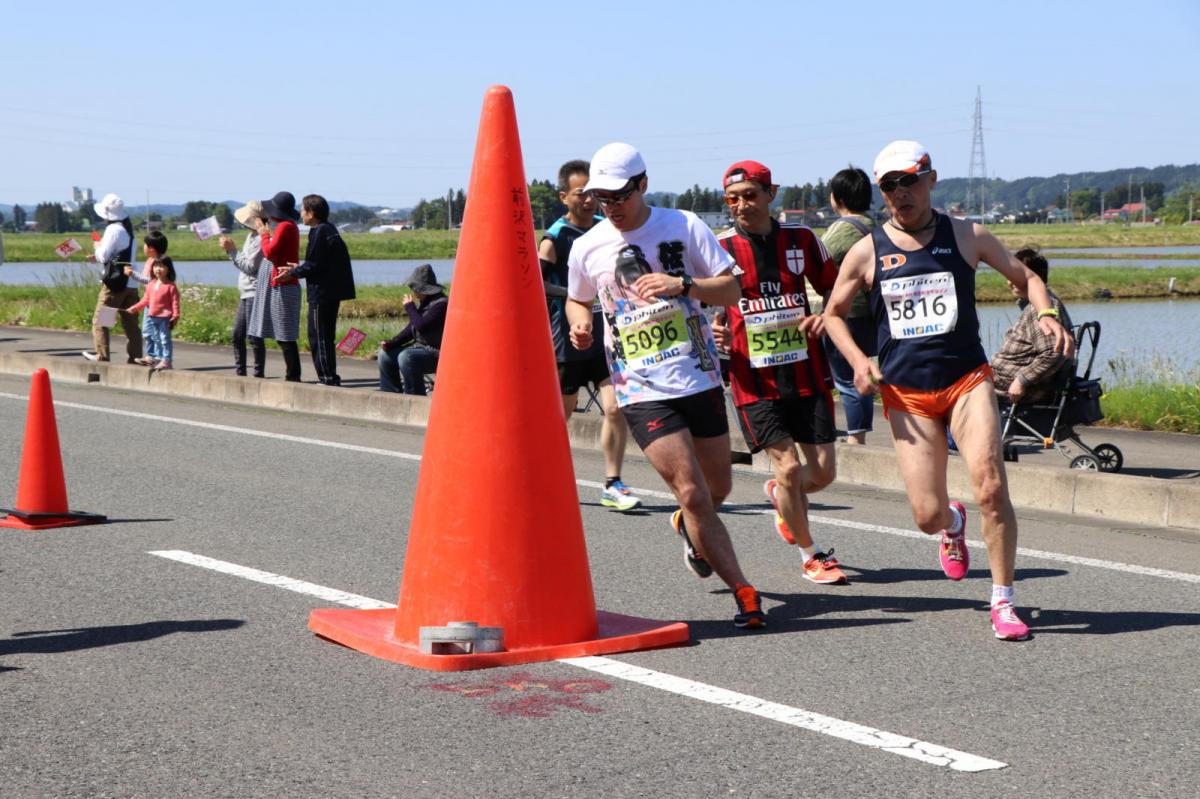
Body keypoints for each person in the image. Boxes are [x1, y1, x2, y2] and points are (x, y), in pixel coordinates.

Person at [823, 140, 1073, 641]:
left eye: (909, 181)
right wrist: (858, 361)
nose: (901, 192)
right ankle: (951, 525)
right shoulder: (867, 250)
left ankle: (1003, 600)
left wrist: (1046, 312)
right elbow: (832, 314)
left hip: (966, 380)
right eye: (889, 185)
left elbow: (1026, 277)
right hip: (906, 394)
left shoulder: (966, 235)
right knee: (926, 515)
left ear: (931, 179)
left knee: (991, 486)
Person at [566, 142, 765, 629]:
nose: (610, 207)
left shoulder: (684, 225)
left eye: (619, 196)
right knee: (692, 491)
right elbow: (577, 299)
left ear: (643, 185)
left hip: (697, 374)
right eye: (601, 198)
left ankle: (689, 528)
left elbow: (732, 288)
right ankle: (744, 592)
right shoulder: (588, 246)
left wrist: (682, 285)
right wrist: (580, 324)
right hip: (639, 386)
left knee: (717, 489)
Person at [710, 160, 848, 586]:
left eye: (750, 195)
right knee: (787, 467)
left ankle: (781, 494)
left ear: (772, 194)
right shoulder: (719, 247)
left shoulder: (802, 239)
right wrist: (714, 330)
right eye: (732, 199)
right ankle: (812, 556)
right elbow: (700, 300)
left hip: (806, 372)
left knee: (821, 473)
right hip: (753, 379)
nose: (741, 205)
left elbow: (835, 287)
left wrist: (827, 314)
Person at [541, 159, 640, 512]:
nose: (588, 200)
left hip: (606, 338)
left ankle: (613, 483)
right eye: (580, 193)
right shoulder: (555, 237)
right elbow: (535, 283)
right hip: (568, 341)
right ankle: (542, 475)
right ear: (563, 196)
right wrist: (578, 295)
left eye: (592, 193)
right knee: (559, 418)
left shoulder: (605, 228)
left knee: (615, 408)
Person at [821, 167, 878, 445]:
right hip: (872, 314)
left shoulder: (842, 229)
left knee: (847, 379)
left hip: (846, 316)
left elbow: (819, 261)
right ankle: (860, 434)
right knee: (863, 372)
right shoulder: (876, 225)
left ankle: (856, 438)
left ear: (838, 198)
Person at [275, 194, 356, 386]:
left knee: (319, 336)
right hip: (330, 291)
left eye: (303, 210)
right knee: (324, 335)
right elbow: (320, 263)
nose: (301, 213)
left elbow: (315, 265)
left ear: (311, 213)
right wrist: (298, 268)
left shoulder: (319, 231)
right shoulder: (328, 228)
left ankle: (328, 378)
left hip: (322, 293)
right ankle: (328, 377)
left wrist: (292, 273)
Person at [991, 248, 1075, 404]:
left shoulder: (1039, 310)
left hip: (1011, 385)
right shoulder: (1045, 302)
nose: (1010, 282)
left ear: (1034, 277)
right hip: (1004, 379)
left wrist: (1021, 381)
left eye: (1015, 276)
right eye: (1009, 276)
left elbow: (1054, 352)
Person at [81, 193, 144, 363]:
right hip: (131, 282)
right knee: (131, 323)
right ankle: (136, 357)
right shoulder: (128, 230)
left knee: (101, 321)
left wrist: (97, 246)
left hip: (115, 285)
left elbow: (103, 255)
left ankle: (102, 355)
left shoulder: (113, 230)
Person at [251, 191, 304, 381]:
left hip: (284, 285)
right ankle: (292, 375)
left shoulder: (284, 226)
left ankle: (293, 376)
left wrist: (264, 235)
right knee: (284, 334)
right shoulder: (289, 226)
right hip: (285, 284)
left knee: (285, 334)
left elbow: (270, 253)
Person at [219, 202, 273, 378]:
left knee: (254, 336)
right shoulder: (251, 236)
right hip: (246, 291)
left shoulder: (261, 239)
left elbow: (249, 267)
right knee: (237, 334)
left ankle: (258, 374)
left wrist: (232, 251)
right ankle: (240, 372)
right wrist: (232, 251)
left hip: (254, 291)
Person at [378, 264, 448, 394]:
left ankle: (414, 396)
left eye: (414, 288)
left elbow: (421, 326)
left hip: (436, 353)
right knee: (385, 355)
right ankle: (390, 394)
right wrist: (392, 343)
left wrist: (410, 307)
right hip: (420, 349)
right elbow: (411, 329)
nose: (413, 291)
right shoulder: (425, 302)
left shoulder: (441, 305)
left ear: (423, 289)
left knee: (407, 357)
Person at [122, 256, 180, 370]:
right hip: (153, 317)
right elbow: (145, 300)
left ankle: (167, 360)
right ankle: (158, 358)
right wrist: (135, 308)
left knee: (164, 339)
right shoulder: (151, 284)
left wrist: (175, 315)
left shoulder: (171, 286)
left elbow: (175, 303)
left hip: (165, 318)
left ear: (168, 269)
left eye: (162, 266)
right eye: (156, 266)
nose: (158, 269)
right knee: (156, 339)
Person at [125, 230, 170, 367]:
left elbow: (149, 280)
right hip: (149, 301)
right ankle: (151, 356)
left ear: (151, 248)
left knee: (155, 332)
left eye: (145, 245)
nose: (143, 247)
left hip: (157, 304)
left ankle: (158, 357)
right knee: (147, 331)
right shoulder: (150, 260)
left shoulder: (157, 263)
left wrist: (132, 274)